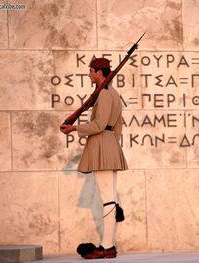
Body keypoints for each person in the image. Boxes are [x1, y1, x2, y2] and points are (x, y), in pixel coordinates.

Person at [60, 57, 128, 259]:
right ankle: (109, 245)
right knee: (110, 197)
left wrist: (74, 128)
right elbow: (117, 127)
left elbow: (99, 125)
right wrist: (111, 145)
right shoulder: (113, 94)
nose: (89, 74)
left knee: (107, 198)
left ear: (99, 72)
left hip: (102, 145)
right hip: (108, 144)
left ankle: (107, 247)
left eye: (91, 71)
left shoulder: (105, 95)